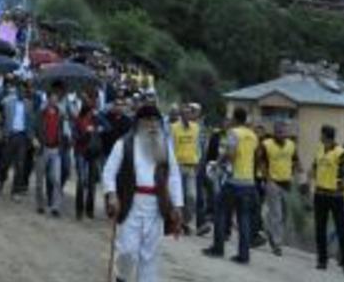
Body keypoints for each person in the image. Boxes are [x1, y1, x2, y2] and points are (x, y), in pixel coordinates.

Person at [103, 105, 183, 282]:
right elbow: (109, 171)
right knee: (127, 252)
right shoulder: (124, 144)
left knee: (150, 257)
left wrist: (177, 204)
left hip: (156, 207)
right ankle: (122, 278)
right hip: (131, 204)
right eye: (148, 121)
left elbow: (174, 176)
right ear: (139, 123)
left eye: (156, 121)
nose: (153, 125)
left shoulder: (165, 147)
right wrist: (112, 194)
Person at [203, 107, 259, 264]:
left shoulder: (234, 133)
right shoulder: (253, 135)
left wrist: (218, 163)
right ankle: (243, 255)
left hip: (234, 181)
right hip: (249, 182)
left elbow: (231, 154)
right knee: (244, 218)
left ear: (235, 119)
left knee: (220, 210)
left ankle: (218, 248)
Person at [311, 125, 344, 275]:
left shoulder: (341, 153)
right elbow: (314, 169)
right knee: (320, 229)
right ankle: (322, 261)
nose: (320, 136)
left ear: (325, 135)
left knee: (342, 230)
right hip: (320, 195)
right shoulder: (319, 149)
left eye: (321, 134)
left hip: (335, 197)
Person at [258, 122, 301, 256]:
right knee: (277, 213)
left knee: (284, 214)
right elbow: (261, 162)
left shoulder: (291, 145)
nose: (282, 134)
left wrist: (298, 174)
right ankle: (277, 244)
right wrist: (267, 178)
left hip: (287, 183)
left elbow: (296, 161)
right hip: (273, 182)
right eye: (279, 132)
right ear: (275, 132)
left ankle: (270, 232)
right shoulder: (266, 144)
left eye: (284, 132)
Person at [0, 79, 35, 200]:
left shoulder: (29, 104)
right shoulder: (8, 101)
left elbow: (30, 122)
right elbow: (1, 112)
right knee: (5, 162)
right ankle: (2, 179)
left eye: (24, 90)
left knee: (20, 164)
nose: (22, 92)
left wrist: (31, 137)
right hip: (10, 135)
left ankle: (15, 191)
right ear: (17, 90)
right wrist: (2, 131)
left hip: (22, 136)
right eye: (20, 90)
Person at [171, 104, 202, 235]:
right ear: (180, 115)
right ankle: (176, 222)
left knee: (191, 196)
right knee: (178, 196)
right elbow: (170, 146)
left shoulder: (196, 128)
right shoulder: (173, 128)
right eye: (184, 113)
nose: (187, 115)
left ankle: (186, 221)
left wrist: (198, 160)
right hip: (177, 166)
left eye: (189, 113)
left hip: (191, 166)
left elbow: (198, 146)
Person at [34, 90, 64, 217]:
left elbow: (60, 129)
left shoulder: (59, 113)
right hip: (43, 147)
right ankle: (40, 204)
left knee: (56, 178)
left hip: (55, 148)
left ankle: (55, 206)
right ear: (48, 99)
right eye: (53, 97)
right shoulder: (41, 113)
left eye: (56, 97)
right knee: (40, 179)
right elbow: (34, 127)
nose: (55, 100)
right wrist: (34, 139)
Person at [74, 90, 102, 219]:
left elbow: (107, 127)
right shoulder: (78, 120)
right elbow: (76, 138)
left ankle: (89, 210)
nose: (91, 107)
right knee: (81, 180)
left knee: (91, 183)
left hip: (93, 152)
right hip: (81, 152)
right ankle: (79, 210)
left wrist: (97, 127)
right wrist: (86, 132)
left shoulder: (96, 118)